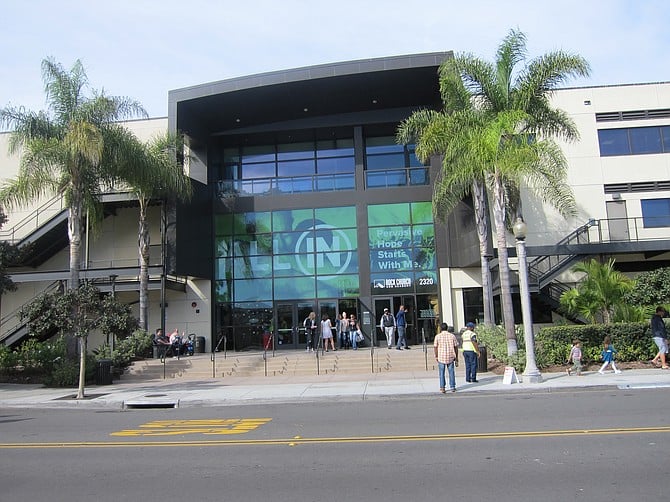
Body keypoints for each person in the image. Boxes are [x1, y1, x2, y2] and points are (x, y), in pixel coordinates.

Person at [434, 323, 459, 393]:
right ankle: (452, 387)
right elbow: (456, 347)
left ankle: (442, 387)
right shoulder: (452, 336)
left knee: (441, 373)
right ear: (447, 328)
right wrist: (456, 357)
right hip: (450, 356)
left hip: (441, 356)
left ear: (441, 328)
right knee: (451, 372)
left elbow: (435, 347)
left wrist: (436, 356)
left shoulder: (437, 336)